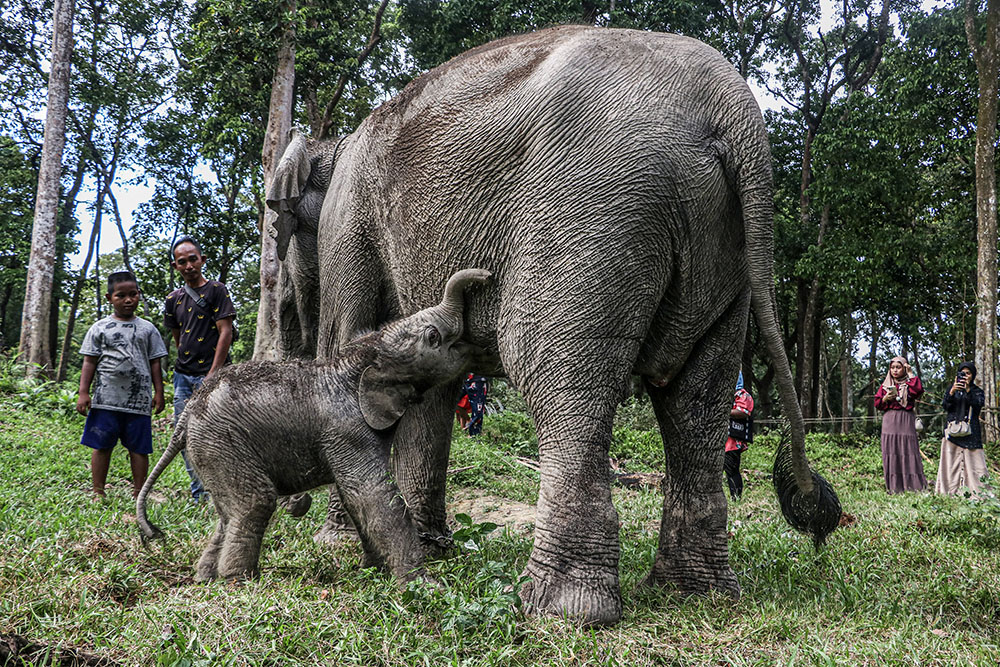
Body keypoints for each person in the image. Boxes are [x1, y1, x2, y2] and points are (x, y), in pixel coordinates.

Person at [77, 271, 167, 499]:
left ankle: (139, 493)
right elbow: (90, 361)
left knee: (139, 448)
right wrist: (83, 392)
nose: (128, 300)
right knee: (102, 445)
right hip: (106, 400)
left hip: (138, 402)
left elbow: (155, 362)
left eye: (133, 294)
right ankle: (98, 492)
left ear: (138, 295)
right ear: (109, 298)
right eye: (121, 296)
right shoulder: (99, 328)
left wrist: (159, 392)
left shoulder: (148, 329)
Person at [164, 235, 236, 502]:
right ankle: (200, 493)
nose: (188, 265)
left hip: (216, 375)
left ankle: (225, 492)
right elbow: (178, 337)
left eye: (193, 259)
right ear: (176, 266)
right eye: (182, 262)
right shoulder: (172, 299)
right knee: (184, 434)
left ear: (202, 260)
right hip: (183, 377)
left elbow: (225, 331)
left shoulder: (217, 290)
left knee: (222, 432)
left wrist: (214, 372)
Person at [873, 355, 926, 493]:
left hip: (906, 419)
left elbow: (918, 390)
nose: (895, 370)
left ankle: (913, 485)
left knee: (908, 449)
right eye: (892, 368)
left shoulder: (909, 383)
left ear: (904, 368)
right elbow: (877, 403)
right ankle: (894, 486)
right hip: (890, 420)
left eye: (898, 367)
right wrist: (885, 398)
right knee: (892, 450)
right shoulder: (885, 384)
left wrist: (910, 374)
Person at [936, 361, 990, 497]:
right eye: (962, 373)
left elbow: (978, 404)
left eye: (968, 373)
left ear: (972, 375)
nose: (965, 376)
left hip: (972, 431)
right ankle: (950, 490)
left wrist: (967, 390)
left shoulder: (977, 391)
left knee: (976, 463)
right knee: (950, 462)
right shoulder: (952, 388)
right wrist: (953, 390)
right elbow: (945, 406)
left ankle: (978, 491)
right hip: (953, 430)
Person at [724, 372, 753, 500]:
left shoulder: (742, 395)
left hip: (733, 441)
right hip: (723, 441)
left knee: (732, 470)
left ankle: (736, 497)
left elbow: (744, 412)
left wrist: (724, 411)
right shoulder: (727, 395)